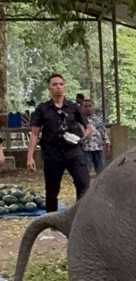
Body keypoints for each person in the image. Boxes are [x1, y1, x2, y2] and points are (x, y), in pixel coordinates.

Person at [27, 74, 92, 211]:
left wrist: (82, 138)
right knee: (52, 189)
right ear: (49, 88)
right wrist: (30, 156)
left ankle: (80, 216)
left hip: (73, 151)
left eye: (61, 84)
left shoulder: (74, 108)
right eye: (55, 84)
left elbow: (88, 128)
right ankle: (51, 222)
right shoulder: (43, 109)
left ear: (65, 86)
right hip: (52, 153)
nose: (58, 87)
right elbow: (34, 133)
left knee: (84, 183)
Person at [79, 99, 110, 174]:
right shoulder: (79, 120)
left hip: (98, 148)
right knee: (86, 171)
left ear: (93, 107)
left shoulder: (98, 119)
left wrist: (107, 145)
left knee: (101, 171)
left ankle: (101, 185)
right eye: (85, 106)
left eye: (90, 106)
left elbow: (103, 132)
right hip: (85, 149)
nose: (88, 108)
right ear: (82, 108)